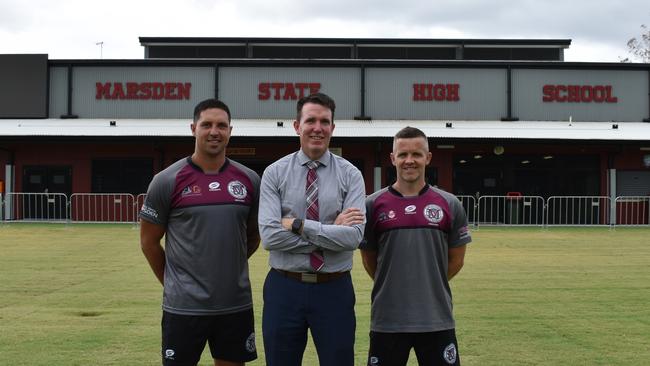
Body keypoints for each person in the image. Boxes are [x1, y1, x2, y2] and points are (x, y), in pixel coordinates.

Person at [139, 98, 260, 366]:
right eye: (207, 124)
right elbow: (148, 242)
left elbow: (252, 236)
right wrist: (174, 281)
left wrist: (228, 265)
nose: (214, 131)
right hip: (183, 308)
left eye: (221, 125)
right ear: (193, 128)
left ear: (231, 130)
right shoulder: (166, 181)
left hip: (234, 304)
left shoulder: (249, 180)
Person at [258, 92, 366, 366]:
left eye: (324, 121)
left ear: (333, 127)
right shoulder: (274, 173)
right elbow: (269, 236)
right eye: (310, 120)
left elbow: (353, 237)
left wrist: (298, 225)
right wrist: (331, 232)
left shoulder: (351, 174)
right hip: (284, 286)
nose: (318, 128)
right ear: (297, 126)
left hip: (334, 289)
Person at [360, 126, 471, 366]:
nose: (409, 160)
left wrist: (427, 283)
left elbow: (456, 261)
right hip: (387, 320)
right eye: (402, 155)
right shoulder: (372, 205)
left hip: (436, 318)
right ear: (393, 158)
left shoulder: (449, 204)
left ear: (428, 158)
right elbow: (370, 261)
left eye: (416, 154)